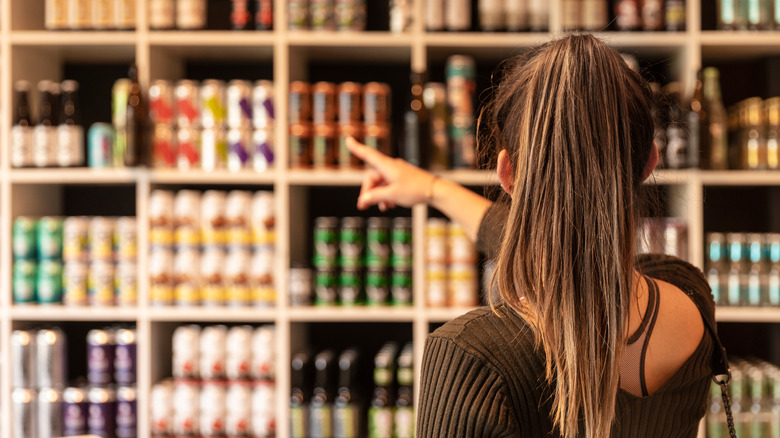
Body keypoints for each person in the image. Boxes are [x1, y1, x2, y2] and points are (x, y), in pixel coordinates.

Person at [347, 34, 725, 438]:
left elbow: (558, 241)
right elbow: (567, 246)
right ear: (649, 161)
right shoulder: (690, 295)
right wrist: (432, 189)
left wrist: (434, 189)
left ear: (506, 173)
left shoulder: (471, 359)